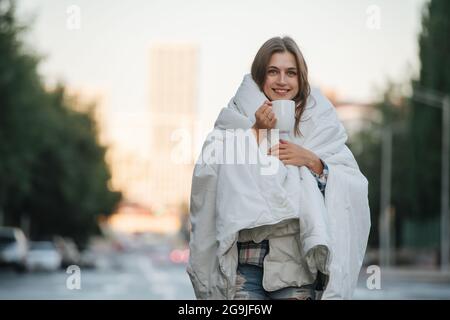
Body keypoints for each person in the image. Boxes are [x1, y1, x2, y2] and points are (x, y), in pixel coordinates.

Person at [187, 36, 371, 300]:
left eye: (291, 73)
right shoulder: (236, 119)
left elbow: (352, 185)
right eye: (273, 71)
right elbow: (210, 175)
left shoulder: (320, 123)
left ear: (301, 79)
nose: (282, 81)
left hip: (296, 269)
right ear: (260, 76)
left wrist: (312, 161)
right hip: (245, 271)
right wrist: (255, 132)